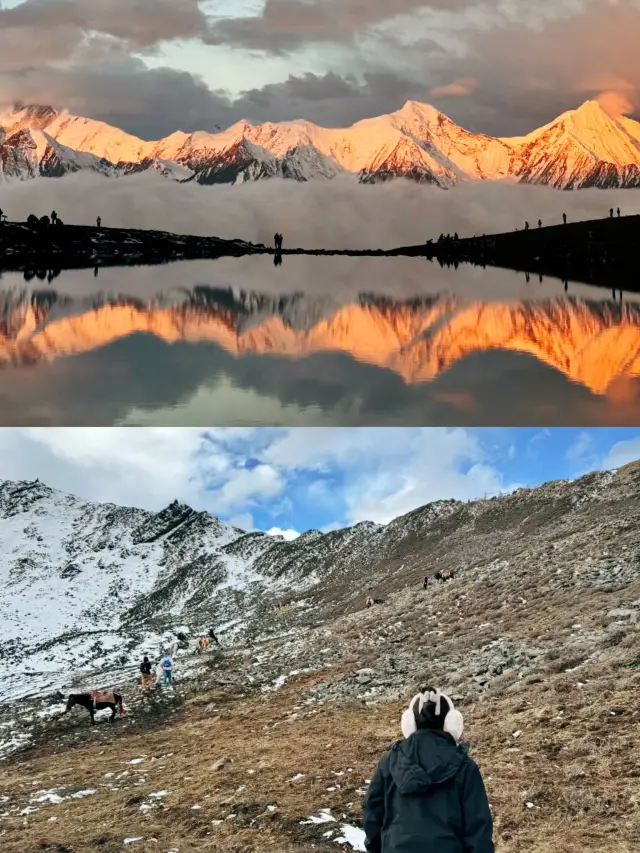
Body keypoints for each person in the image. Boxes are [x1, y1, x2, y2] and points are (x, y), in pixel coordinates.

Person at [363, 688, 494, 853]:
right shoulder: (465, 766)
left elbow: (372, 813)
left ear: (409, 723)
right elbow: (478, 828)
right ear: (451, 723)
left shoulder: (389, 762)